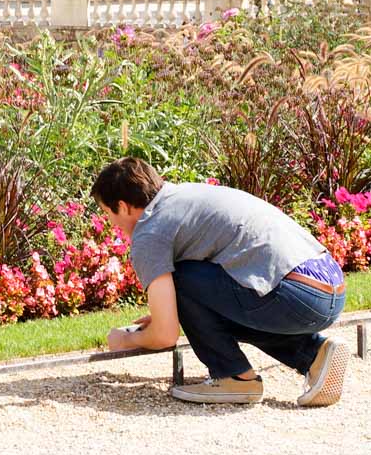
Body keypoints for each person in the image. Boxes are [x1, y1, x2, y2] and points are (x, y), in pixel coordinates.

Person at [92, 157, 348, 407]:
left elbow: (165, 335)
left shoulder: (149, 230)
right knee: (209, 297)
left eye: (108, 213)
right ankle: (314, 354)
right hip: (329, 287)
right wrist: (168, 313)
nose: (111, 223)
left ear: (124, 206)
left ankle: (233, 376)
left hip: (297, 294)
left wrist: (126, 341)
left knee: (180, 277)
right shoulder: (184, 196)